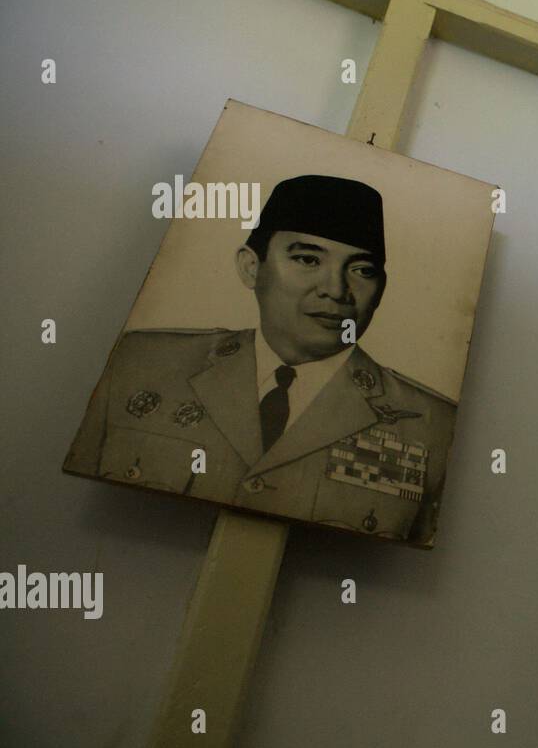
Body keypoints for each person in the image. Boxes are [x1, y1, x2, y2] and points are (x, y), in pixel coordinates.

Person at [64, 174, 455, 547]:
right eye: (307, 260)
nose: (336, 290)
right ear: (252, 267)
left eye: (361, 270)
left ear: (380, 289)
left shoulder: (429, 423)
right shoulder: (144, 362)